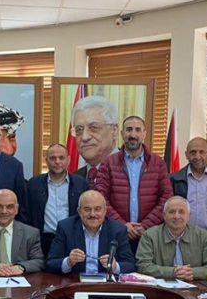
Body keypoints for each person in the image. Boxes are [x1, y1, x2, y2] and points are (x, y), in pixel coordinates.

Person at [94, 116, 173, 248]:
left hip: (149, 235)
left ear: (144, 134)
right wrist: (122, 225)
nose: (133, 135)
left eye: (137, 130)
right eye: (129, 129)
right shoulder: (109, 163)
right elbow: (100, 198)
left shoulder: (158, 163)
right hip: (116, 234)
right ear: (122, 133)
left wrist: (146, 225)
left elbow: (166, 197)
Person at [46, 190, 135, 275]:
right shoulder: (65, 228)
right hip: (75, 281)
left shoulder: (118, 230)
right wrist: (68, 262)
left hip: (105, 282)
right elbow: (50, 263)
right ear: (79, 211)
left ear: (105, 211)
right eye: (87, 209)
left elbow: (130, 265)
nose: (92, 214)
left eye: (97, 209)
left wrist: (115, 266)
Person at [136, 196, 207, 280]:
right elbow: (143, 266)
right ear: (164, 216)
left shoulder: (202, 236)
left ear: (189, 216)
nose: (177, 216)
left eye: (181, 212)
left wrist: (192, 272)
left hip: (195, 285)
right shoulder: (149, 236)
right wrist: (172, 272)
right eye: (172, 212)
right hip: (160, 287)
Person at [27, 143, 88, 256]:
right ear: (46, 161)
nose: (57, 161)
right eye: (52, 158)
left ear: (68, 160)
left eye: (61, 158)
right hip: (43, 241)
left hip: (71, 240)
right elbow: (27, 214)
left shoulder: (81, 184)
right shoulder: (34, 184)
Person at [71, 96, 119, 186]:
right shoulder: (73, 181)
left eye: (93, 128)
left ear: (114, 130)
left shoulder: (136, 173)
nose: (85, 137)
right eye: (79, 129)